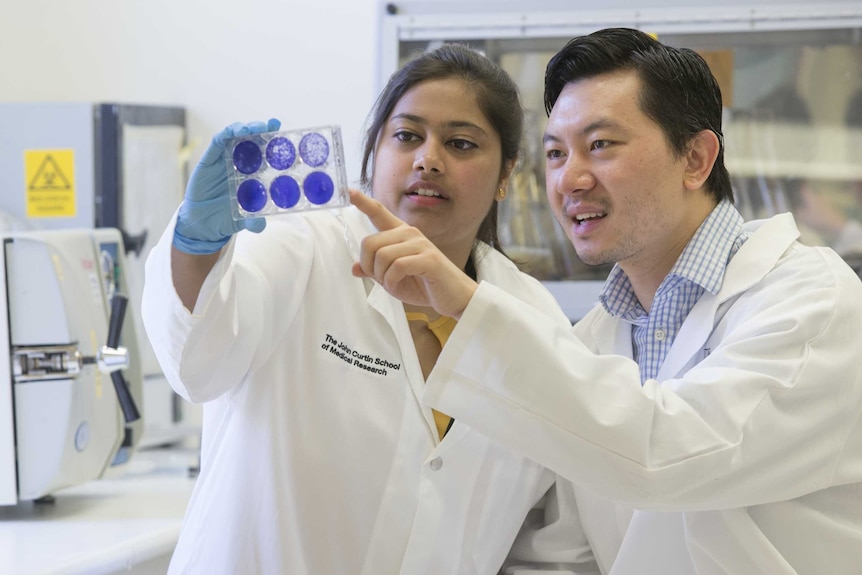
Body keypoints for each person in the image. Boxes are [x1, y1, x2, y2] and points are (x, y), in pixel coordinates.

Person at [350, 28, 862, 574]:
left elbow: (669, 453)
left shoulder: (814, 305)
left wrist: (470, 308)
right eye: (554, 152)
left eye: (600, 145)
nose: (569, 178)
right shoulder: (594, 338)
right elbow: (564, 555)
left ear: (695, 158)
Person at [141, 44, 584, 574]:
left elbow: (548, 544)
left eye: (461, 143)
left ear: (506, 173)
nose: (428, 158)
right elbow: (197, 361)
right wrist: (197, 247)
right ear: (375, 151)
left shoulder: (532, 317)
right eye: (407, 136)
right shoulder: (301, 248)